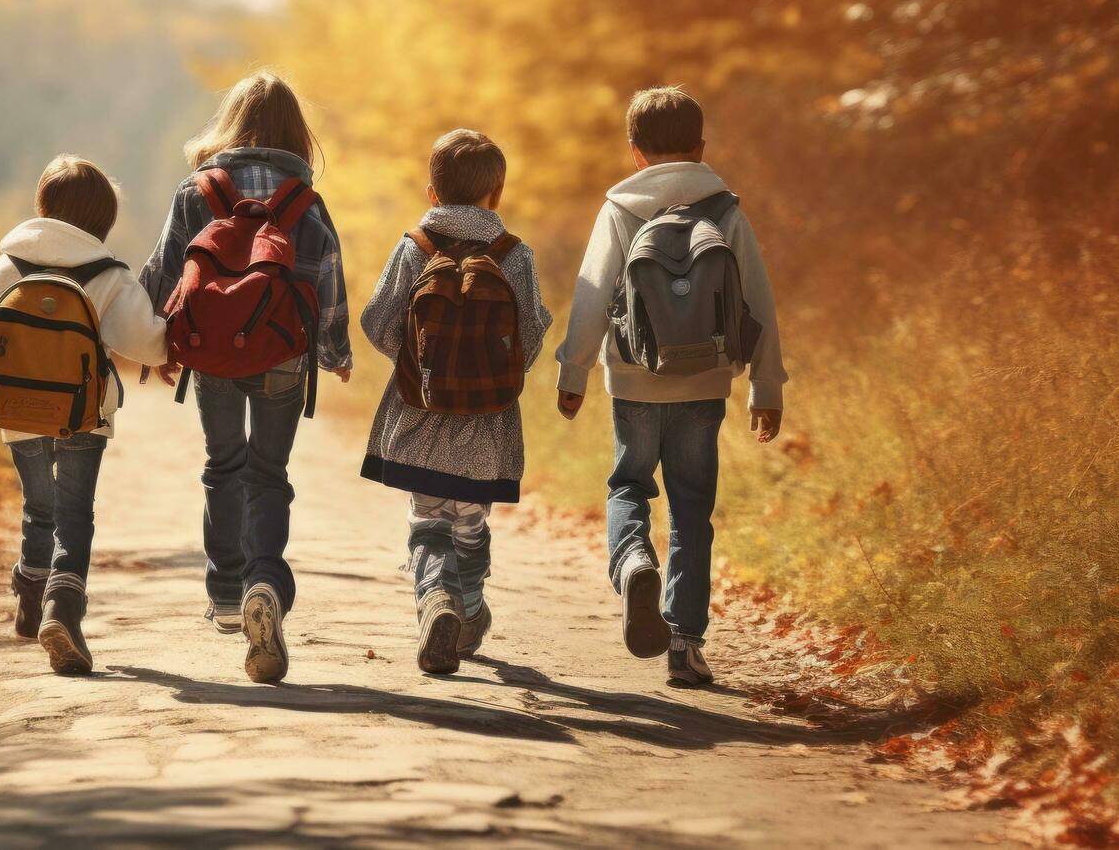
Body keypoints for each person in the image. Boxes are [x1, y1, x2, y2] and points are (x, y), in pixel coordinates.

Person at [554, 86, 788, 687]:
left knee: (629, 483)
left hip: (634, 379)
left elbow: (591, 291)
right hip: (704, 382)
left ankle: (633, 563)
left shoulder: (619, 209)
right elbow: (757, 300)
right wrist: (766, 386)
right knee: (691, 509)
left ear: (634, 153)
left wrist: (574, 370)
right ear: (700, 147)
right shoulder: (726, 210)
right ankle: (684, 644)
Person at [140, 71, 353, 684]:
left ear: (228, 124)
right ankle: (265, 579)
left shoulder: (196, 191)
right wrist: (335, 351)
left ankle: (228, 593)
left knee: (223, 465)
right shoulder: (306, 201)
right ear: (296, 133)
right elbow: (327, 278)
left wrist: (156, 343)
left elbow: (163, 272)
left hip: (211, 354)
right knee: (268, 472)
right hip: (283, 354)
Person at [0, 155, 168, 675]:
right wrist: (171, 347)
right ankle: (62, 608)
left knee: (37, 507)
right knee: (74, 514)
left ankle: (29, 587)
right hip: (84, 414)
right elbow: (144, 341)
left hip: (18, 409)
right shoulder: (108, 273)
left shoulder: (10, 265)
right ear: (103, 219)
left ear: (43, 206)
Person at [359, 129, 551, 675]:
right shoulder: (514, 255)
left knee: (427, 522)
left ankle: (436, 600)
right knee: (471, 522)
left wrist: (415, 365)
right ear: (498, 193)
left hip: (421, 414)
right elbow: (531, 333)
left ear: (432, 192)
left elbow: (378, 321)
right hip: (486, 424)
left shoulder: (415, 248)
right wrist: (494, 377)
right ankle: (467, 610)